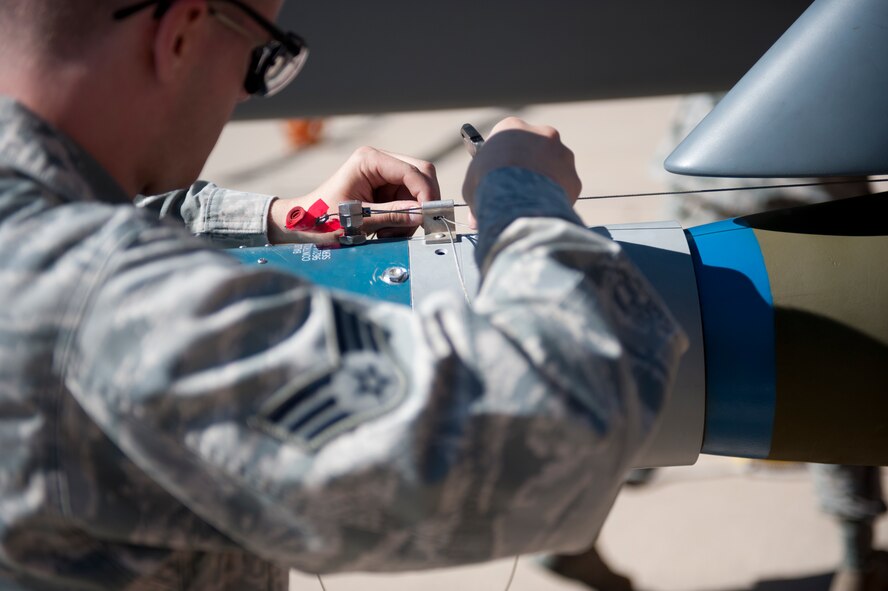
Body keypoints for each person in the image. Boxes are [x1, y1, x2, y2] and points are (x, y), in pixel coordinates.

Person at [0, 0, 687, 589]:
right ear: (178, 36)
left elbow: (111, 209)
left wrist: (290, 218)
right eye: (261, 62)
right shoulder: (93, 306)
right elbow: (555, 435)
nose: (246, 95)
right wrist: (524, 195)